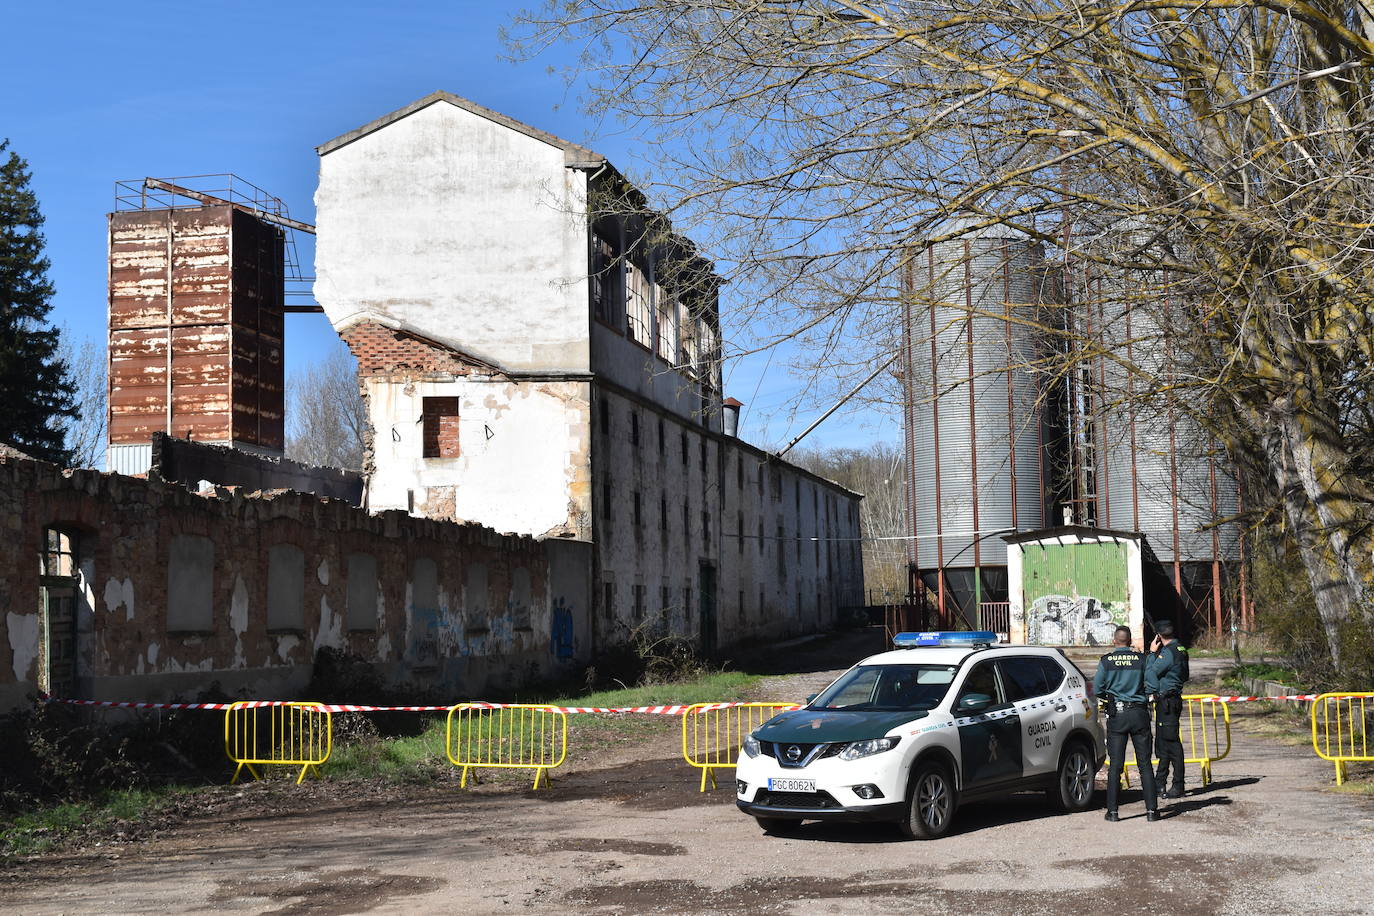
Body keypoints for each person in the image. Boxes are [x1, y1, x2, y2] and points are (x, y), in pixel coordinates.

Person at [1093, 625, 1160, 822]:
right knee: (1145, 764)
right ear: (1130, 641)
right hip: (1139, 714)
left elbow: (1097, 688)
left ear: (1115, 641)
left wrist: (1111, 696)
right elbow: (1153, 685)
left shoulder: (1106, 661)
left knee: (1115, 766)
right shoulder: (1142, 659)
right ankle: (1151, 812)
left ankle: (1113, 812)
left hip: (1117, 715)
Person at [1148, 620, 1190, 798]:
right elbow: (1185, 675)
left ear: (1158, 636)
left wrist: (1151, 653)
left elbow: (1151, 672)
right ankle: (1160, 783)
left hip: (1167, 701)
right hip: (1171, 700)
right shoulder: (1181, 648)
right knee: (1164, 744)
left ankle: (1178, 785)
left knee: (1172, 744)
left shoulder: (1168, 652)